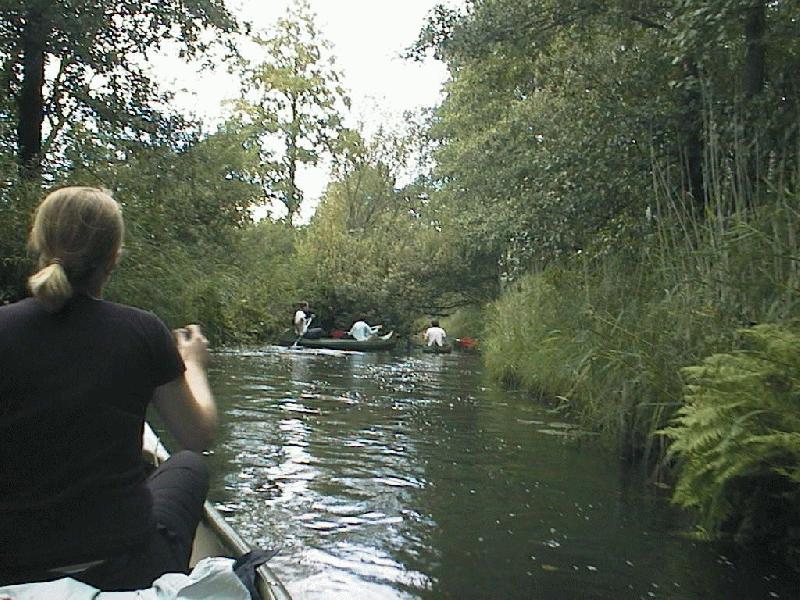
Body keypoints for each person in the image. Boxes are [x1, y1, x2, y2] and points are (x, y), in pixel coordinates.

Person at [0, 187, 218, 591]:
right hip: (121, 567)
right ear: (114, 256)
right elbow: (197, 435)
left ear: (39, 243)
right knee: (189, 466)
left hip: (11, 567)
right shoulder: (143, 331)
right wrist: (193, 366)